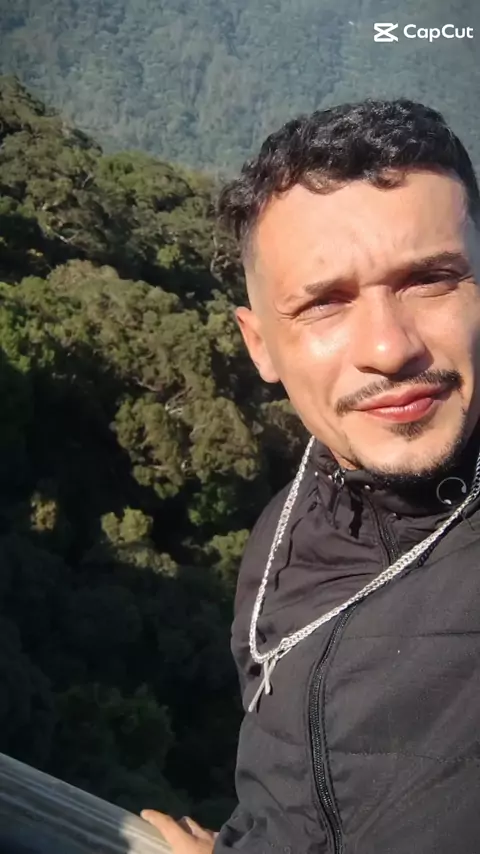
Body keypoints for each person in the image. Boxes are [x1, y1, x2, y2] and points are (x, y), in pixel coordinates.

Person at [141, 98, 480, 853]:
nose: (389, 349)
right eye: (325, 304)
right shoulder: (283, 536)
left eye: (430, 279)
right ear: (260, 345)